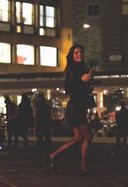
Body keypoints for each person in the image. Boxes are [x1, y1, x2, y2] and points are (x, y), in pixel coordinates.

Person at [47, 44, 94, 175]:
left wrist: (89, 80)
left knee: (78, 138)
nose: (79, 54)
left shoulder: (84, 68)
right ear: (72, 56)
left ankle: (52, 156)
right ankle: (83, 167)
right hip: (75, 108)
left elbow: (86, 90)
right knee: (88, 136)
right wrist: (81, 79)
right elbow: (68, 89)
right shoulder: (72, 69)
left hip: (78, 107)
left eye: (81, 52)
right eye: (76, 53)